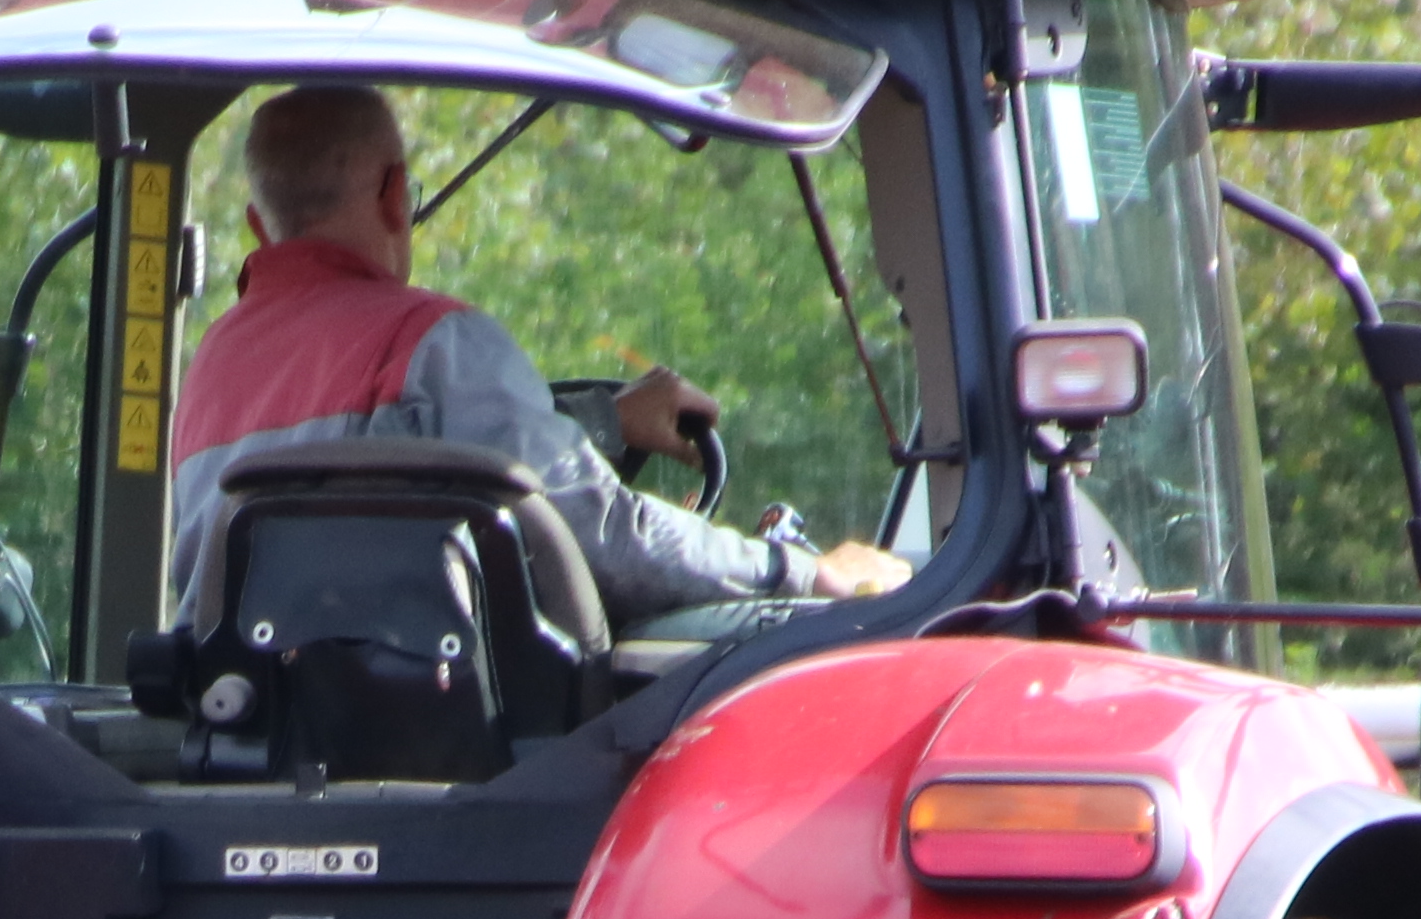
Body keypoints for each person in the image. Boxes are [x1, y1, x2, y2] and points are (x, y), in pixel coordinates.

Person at [164, 85, 900, 624]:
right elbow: (604, 535)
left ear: (261, 227)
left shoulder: (209, 370)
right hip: (434, 750)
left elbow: (396, 450)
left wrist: (604, 425)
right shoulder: (431, 341)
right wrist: (800, 570)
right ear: (395, 196)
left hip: (247, 739)